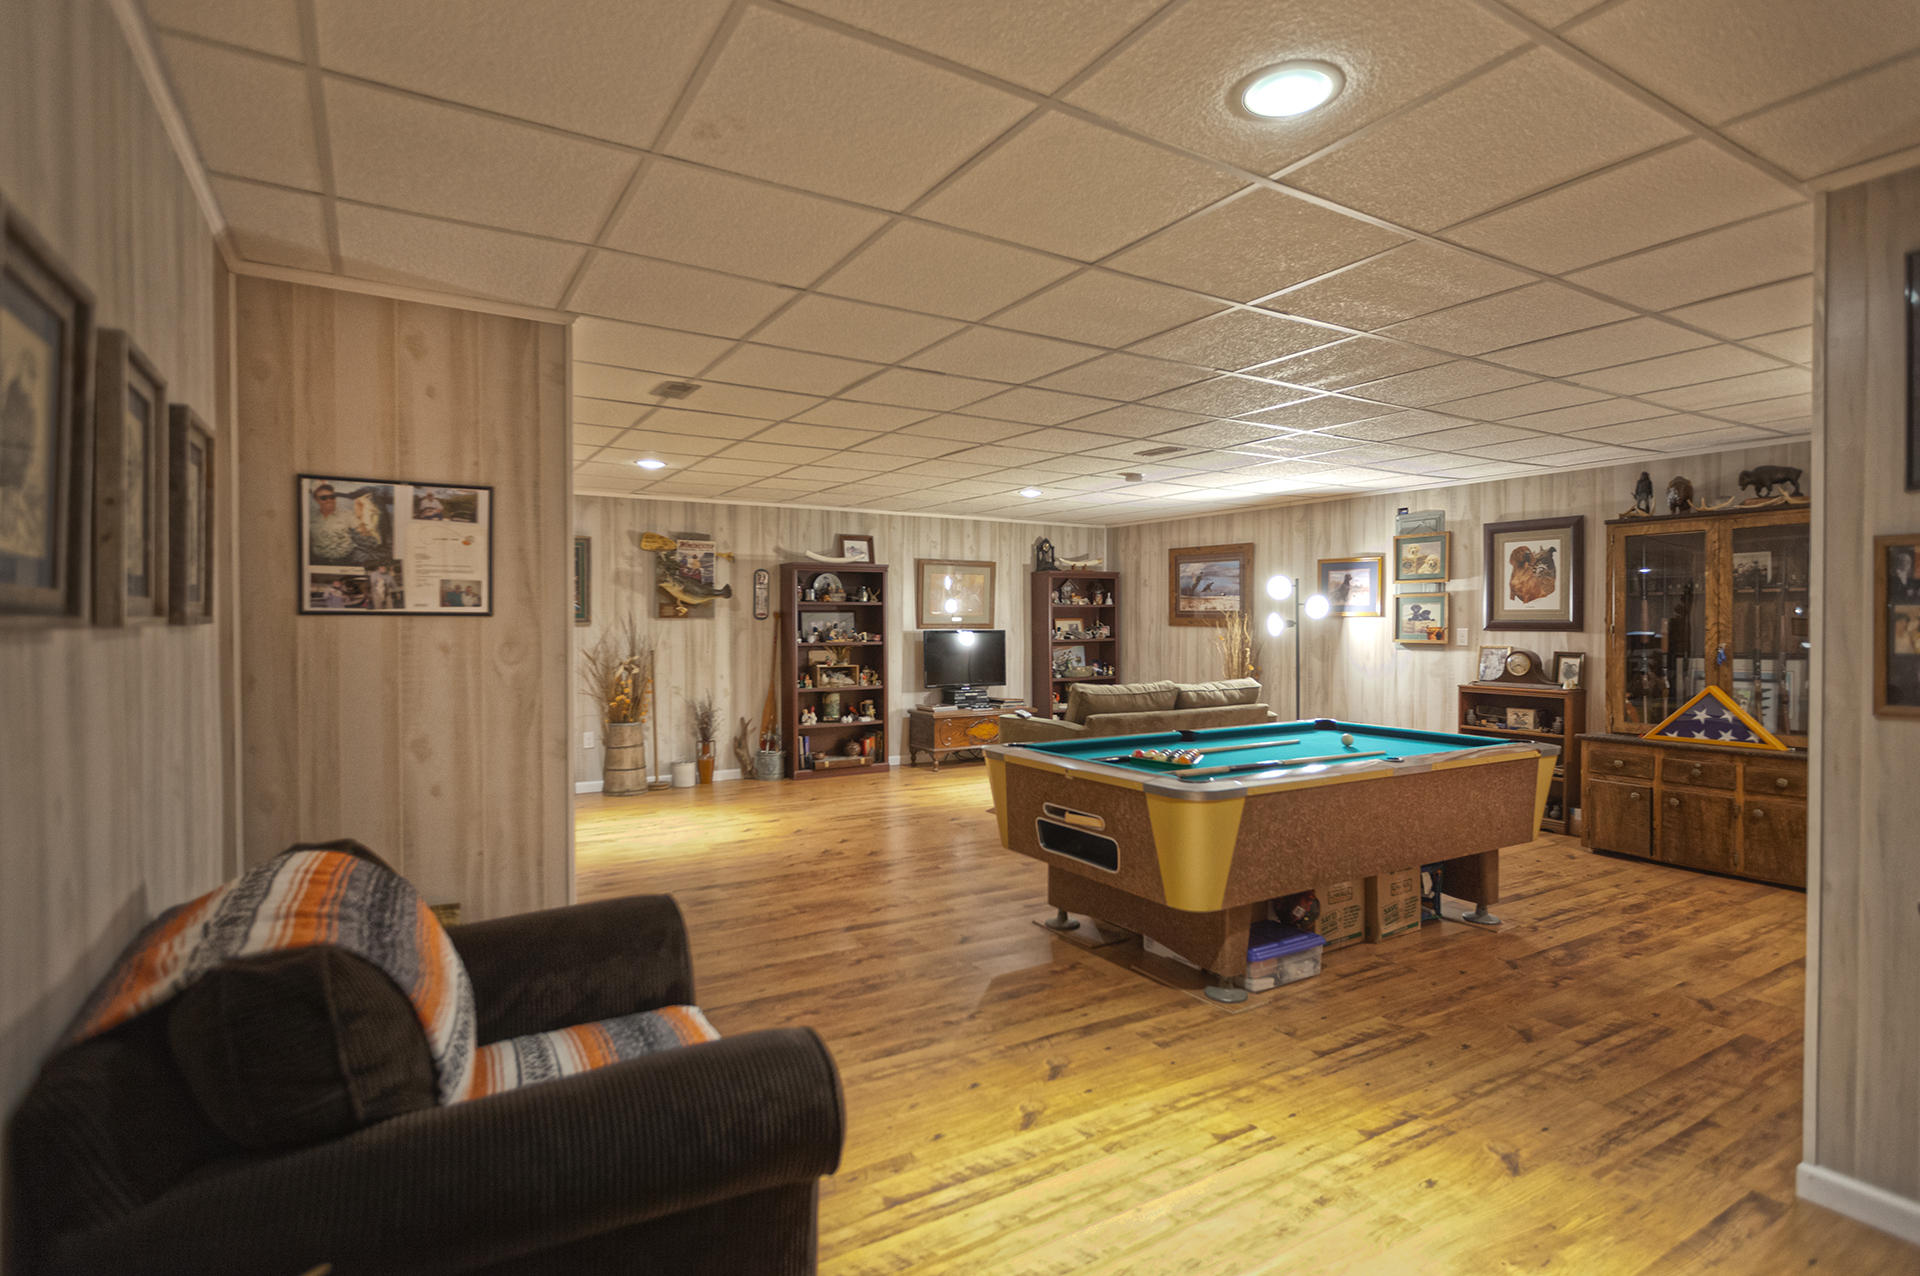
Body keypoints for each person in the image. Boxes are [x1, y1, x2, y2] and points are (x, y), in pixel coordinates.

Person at [309, 483, 387, 565]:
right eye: (324, 498)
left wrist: (359, 511)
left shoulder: (347, 515)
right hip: (319, 561)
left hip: (345, 559)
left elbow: (365, 535)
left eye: (332, 497)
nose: (329, 500)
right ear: (316, 500)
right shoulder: (310, 517)